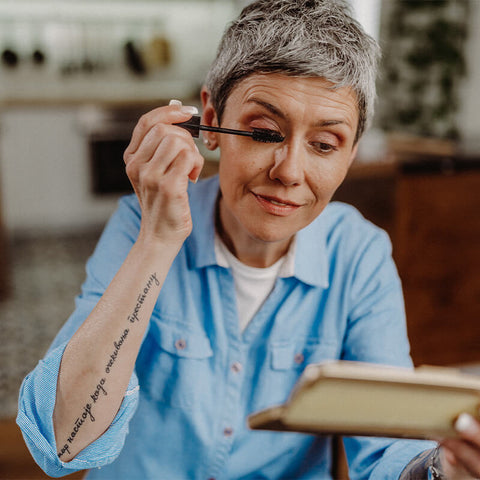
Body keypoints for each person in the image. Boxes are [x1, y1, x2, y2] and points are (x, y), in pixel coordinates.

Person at [17, 0, 480, 478]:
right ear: (211, 122)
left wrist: (445, 469)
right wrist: (157, 239)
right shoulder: (141, 223)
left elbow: (390, 452)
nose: (290, 173)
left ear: (352, 154)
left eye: (324, 145)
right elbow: (63, 442)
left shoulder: (359, 255)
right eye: (263, 133)